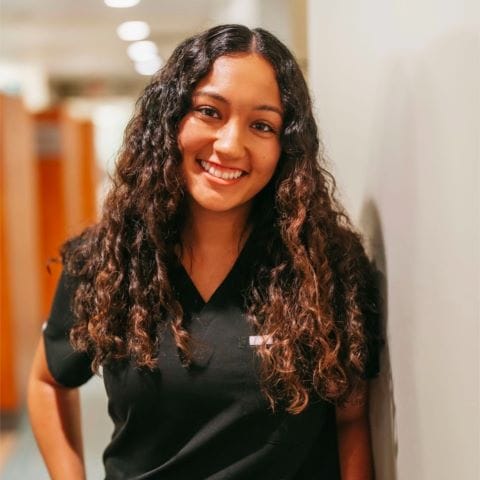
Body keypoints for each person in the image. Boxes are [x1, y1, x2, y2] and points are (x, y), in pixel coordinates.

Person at [28, 24, 381, 480]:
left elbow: (351, 421)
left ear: (286, 146)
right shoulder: (106, 259)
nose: (230, 145)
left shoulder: (327, 266)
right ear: (171, 120)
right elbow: (48, 380)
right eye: (209, 112)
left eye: (261, 125)